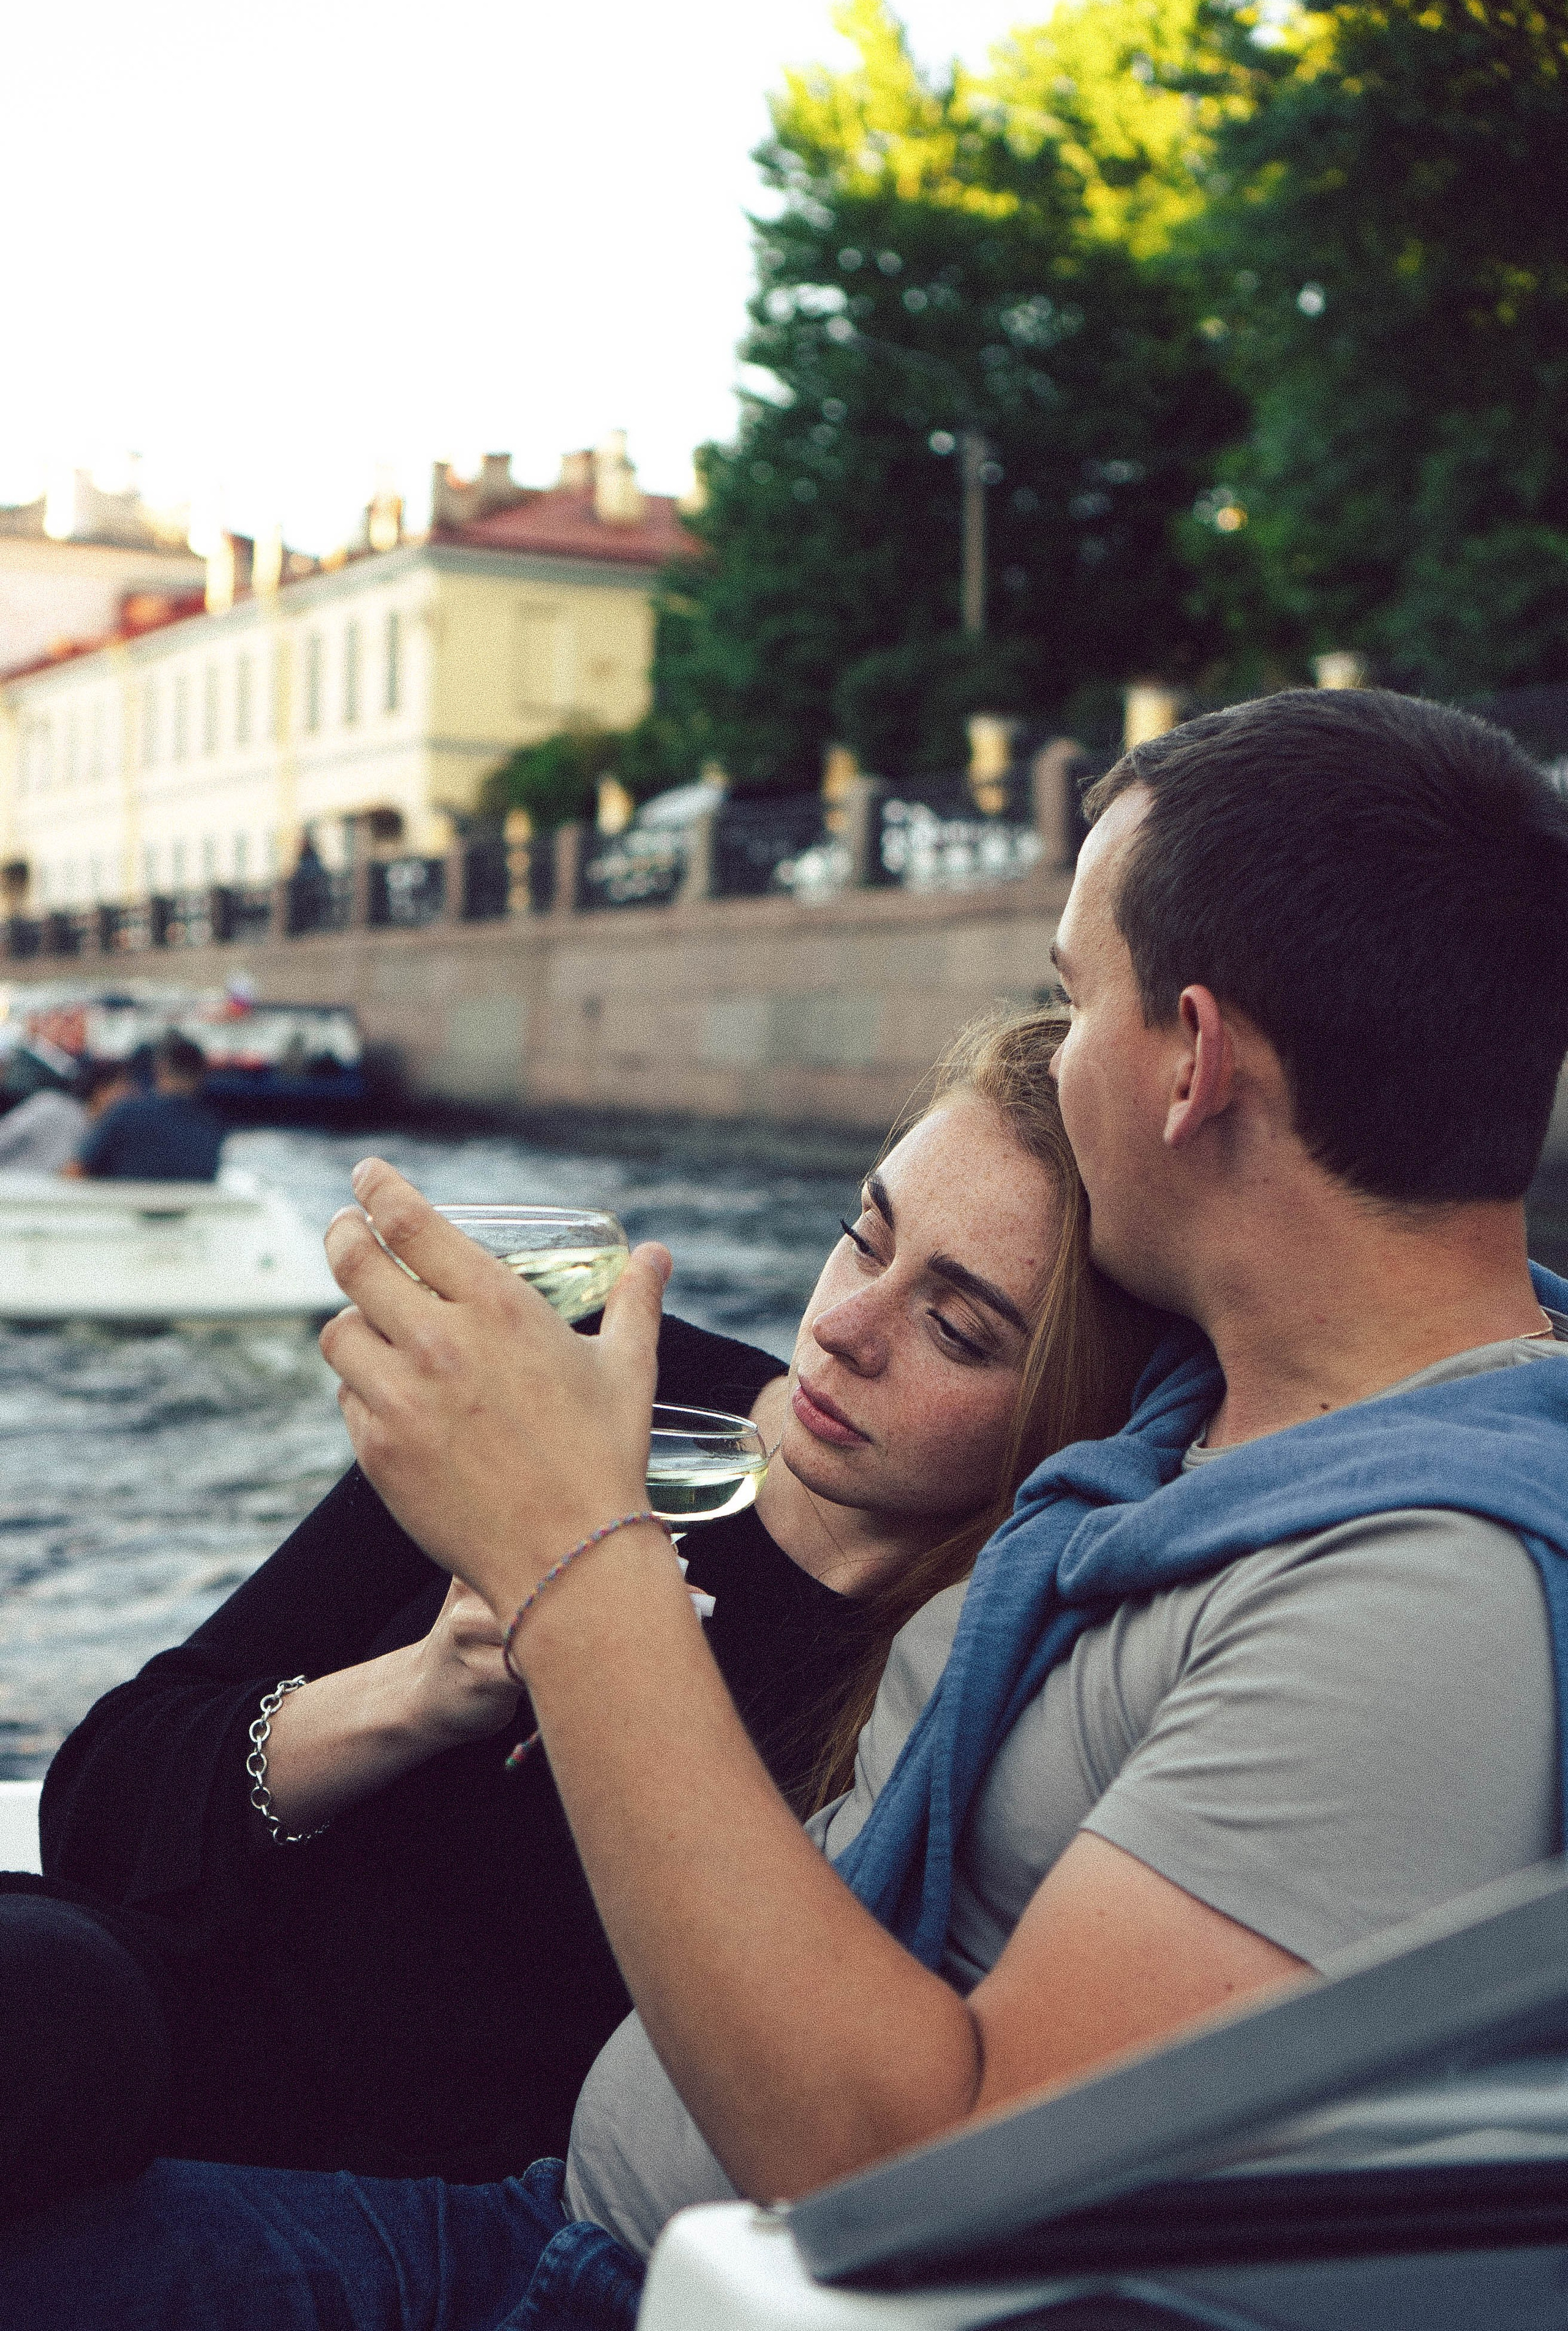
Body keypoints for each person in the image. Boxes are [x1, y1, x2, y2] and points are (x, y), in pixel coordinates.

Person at [10, 686, 1568, 2331]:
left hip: (588, 2262)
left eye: (1072, 995)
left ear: (1192, 1062)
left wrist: (567, 1545)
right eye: (863, 1236)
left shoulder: (1410, 1589)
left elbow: (931, 2173)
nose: (848, 1330)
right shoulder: (1225, 1431)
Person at [1, 1011, 1158, 2212]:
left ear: (1079, 1408)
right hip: (149, 2029)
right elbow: (104, 1802)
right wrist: (420, 1693)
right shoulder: (575, 1393)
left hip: (431, 2220)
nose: (839, 1328)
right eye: (864, 1240)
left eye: (957, 1330)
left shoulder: (977, 1674)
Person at [64, 1033, 226, 1183]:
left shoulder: (126, 1113)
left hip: (124, 1204)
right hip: (193, 1204)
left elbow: (75, 1172)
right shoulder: (215, 1123)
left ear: (160, 1068)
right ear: (202, 1073)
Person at [0, 1058, 130, 1174]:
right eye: (123, 1089)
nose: (130, 1096)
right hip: (14, 1187)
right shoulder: (51, 1106)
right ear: (101, 1090)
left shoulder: (104, 1131)